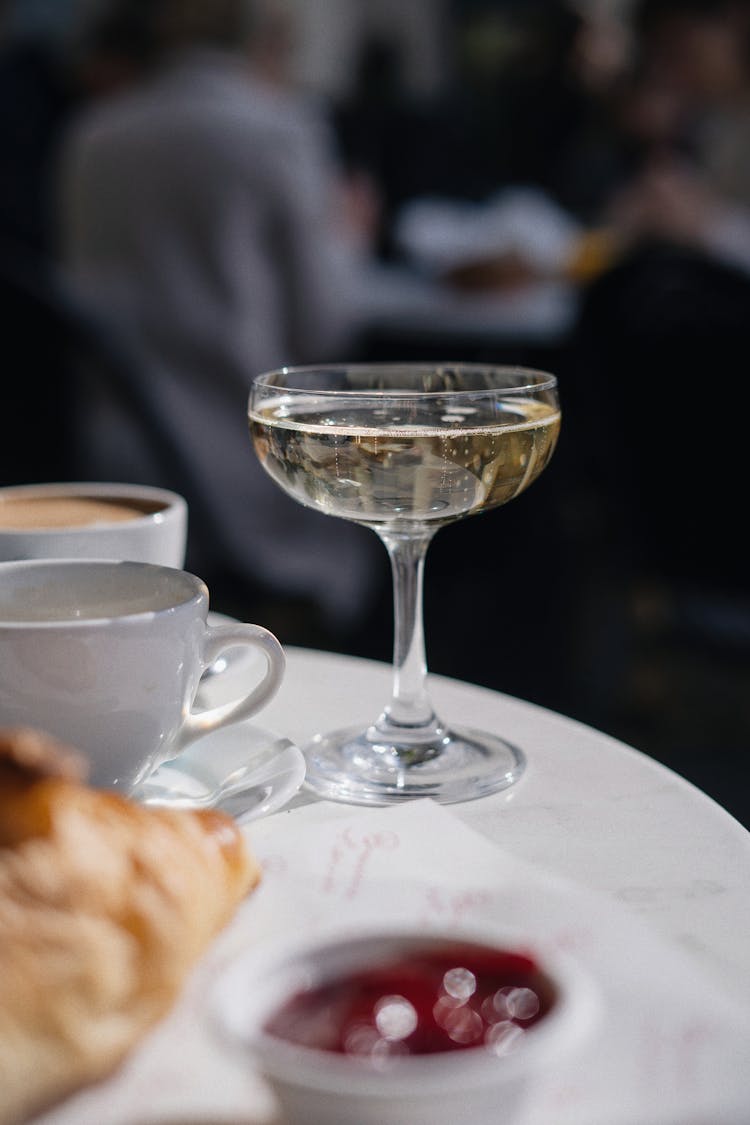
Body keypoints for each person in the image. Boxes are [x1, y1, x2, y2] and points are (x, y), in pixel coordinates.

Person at [58, 0, 381, 640]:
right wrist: (351, 236)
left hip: (120, 468)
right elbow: (326, 324)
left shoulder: (93, 134)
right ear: (265, 37)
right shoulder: (275, 130)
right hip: (250, 475)